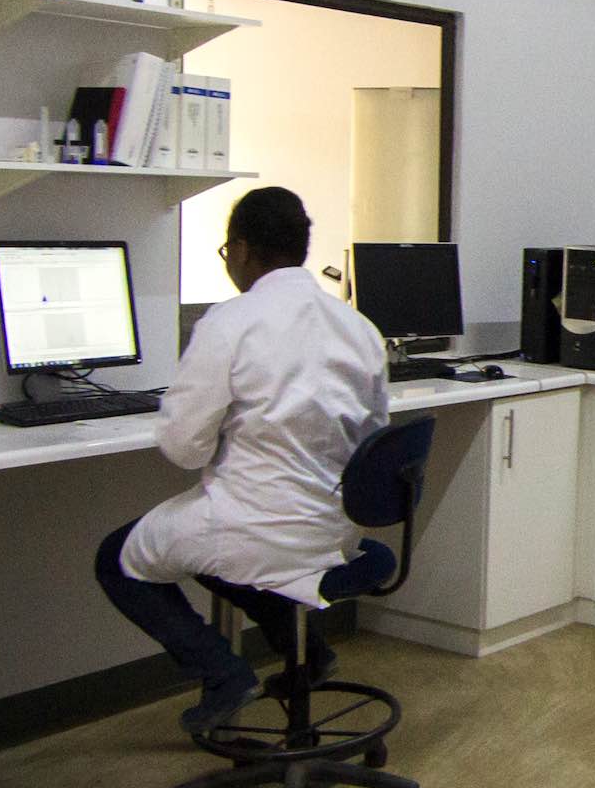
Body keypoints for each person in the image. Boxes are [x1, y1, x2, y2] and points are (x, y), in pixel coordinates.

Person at [93, 186, 393, 737]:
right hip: (335, 532)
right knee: (221, 553)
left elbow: (183, 449)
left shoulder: (230, 322)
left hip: (258, 525)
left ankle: (224, 673)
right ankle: (310, 653)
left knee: (118, 558)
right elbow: (374, 439)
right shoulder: (359, 328)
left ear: (241, 249)